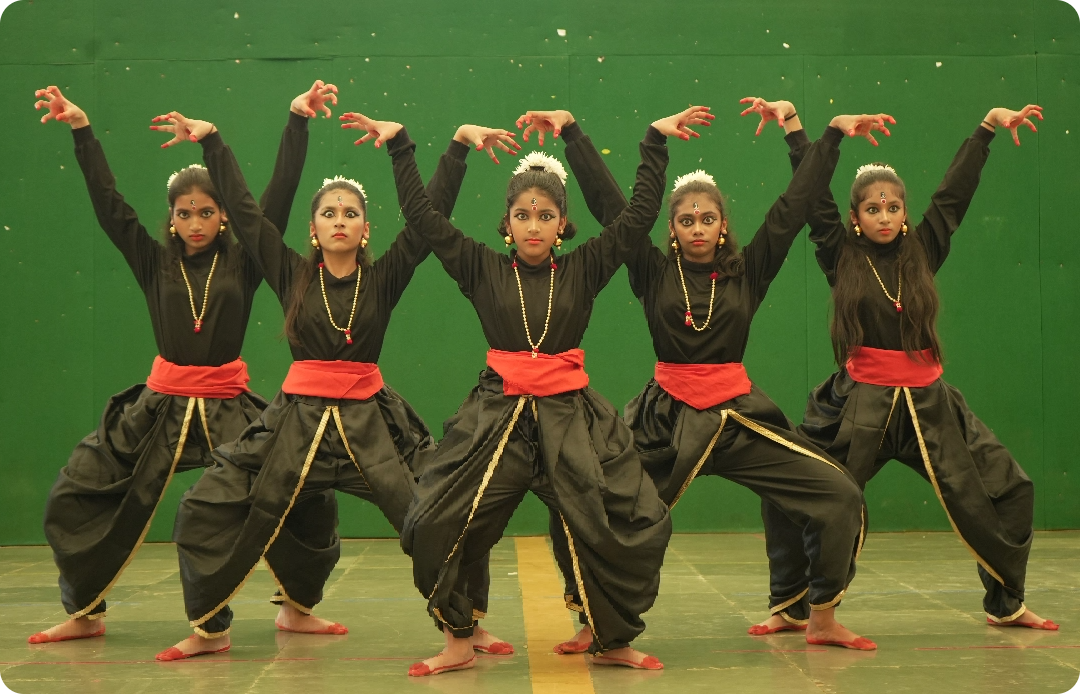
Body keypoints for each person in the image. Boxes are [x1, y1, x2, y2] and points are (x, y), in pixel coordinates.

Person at [347, 104, 709, 675]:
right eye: (522, 214)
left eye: (545, 215)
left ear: (562, 223)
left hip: (572, 418)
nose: (533, 225)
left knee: (618, 519)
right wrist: (420, 145)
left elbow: (638, 216)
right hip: (497, 417)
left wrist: (646, 141)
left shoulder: (585, 267)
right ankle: (459, 638)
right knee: (440, 517)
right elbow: (422, 217)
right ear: (507, 223)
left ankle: (610, 637)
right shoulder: (480, 266)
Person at [148, 107, 519, 660]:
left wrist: (454, 145)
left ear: (365, 229)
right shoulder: (290, 272)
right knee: (206, 503)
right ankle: (211, 629)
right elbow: (245, 213)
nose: (339, 219)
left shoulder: (383, 276)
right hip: (294, 425)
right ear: (314, 229)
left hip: (374, 426)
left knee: (445, 504)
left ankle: (461, 626)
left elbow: (429, 218)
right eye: (328, 212)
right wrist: (214, 142)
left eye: (350, 213)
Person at [532, 104, 880, 652]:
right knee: (586, 499)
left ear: (723, 227)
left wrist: (826, 136)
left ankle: (821, 617)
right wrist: (582, 132)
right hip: (665, 421)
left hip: (740, 417)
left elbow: (793, 207)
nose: (698, 228)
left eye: (708, 220)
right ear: (672, 229)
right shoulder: (652, 270)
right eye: (687, 221)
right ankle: (593, 621)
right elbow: (608, 204)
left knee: (838, 493)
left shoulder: (748, 271)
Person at [27, 82, 337, 645]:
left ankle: (295, 608)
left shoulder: (244, 263)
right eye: (185, 213)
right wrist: (81, 130)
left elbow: (279, 196)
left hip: (229, 405)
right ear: (171, 219)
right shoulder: (152, 262)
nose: (196, 222)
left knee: (301, 493)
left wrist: (297, 122)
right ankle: (84, 613)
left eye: (207, 212)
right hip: (159, 406)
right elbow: (110, 205)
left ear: (224, 217)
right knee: (75, 493)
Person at [766, 101, 1057, 631]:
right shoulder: (840, 254)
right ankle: (793, 606)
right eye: (872, 209)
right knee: (796, 489)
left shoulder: (923, 250)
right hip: (858, 404)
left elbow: (953, 196)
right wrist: (795, 128)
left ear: (904, 212)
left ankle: (1005, 603)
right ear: (855, 218)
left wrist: (986, 127)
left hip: (931, 405)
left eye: (893, 207)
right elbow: (813, 198)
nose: (884, 216)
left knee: (1010, 487)